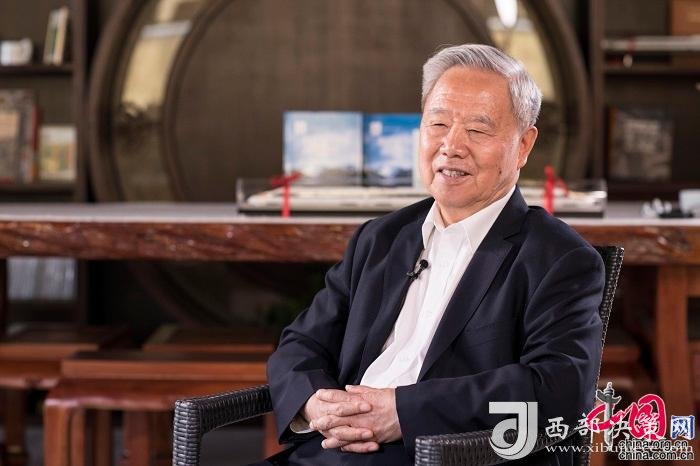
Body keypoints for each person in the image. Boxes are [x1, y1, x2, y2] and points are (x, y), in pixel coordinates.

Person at [254, 44, 604, 466]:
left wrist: (403, 413)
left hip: (448, 456)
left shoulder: (560, 259)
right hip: (331, 450)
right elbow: (300, 342)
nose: (451, 145)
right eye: (438, 123)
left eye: (477, 130)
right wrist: (315, 404)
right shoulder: (381, 239)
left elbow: (558, 389)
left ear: (524, 145)